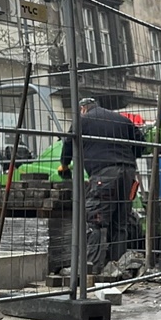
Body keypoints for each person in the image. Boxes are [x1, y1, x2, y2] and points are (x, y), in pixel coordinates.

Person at [59, 96, 145, 272]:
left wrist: (64, 165)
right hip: (128, 173)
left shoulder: (82, 121)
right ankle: (117, 267)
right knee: (120, 223)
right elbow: (141, 144)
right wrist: (126, 158)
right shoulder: (122, 120)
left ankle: (91, 269)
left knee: (95, 221)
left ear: (83, 109)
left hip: (104, 174)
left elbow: (69, 143)